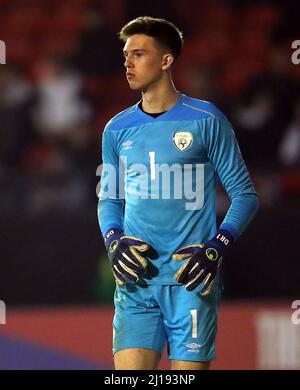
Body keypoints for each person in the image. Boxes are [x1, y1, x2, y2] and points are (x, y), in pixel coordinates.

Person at [97, 16, 258, 370]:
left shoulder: (205, 119)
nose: (127, 63)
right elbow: (109, 198)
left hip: (190, 281)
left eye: (138, 54)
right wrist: (113, 240)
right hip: (135, 284)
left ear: (166, 60)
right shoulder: (116, 129)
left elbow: (245, 195)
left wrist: (217, 248)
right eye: (126, 55)